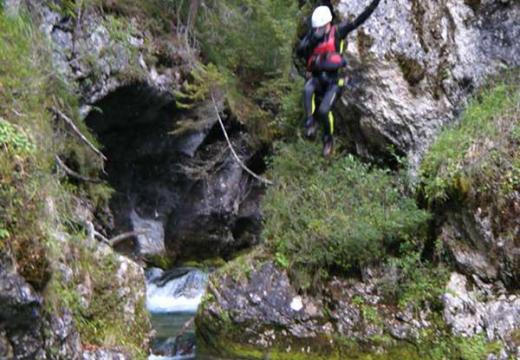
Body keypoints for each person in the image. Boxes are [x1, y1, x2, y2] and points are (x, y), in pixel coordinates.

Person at [297, 0, 381, 157]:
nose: (319, 30)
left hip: (334, 81)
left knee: (323, 111)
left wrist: (373, 5)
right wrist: (312, 39)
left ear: (328, 23)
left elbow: (357, 22)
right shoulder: (313, 36)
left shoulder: (338, 32)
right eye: (317, 28)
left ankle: (328, 139)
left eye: (321, 27)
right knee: (308, 89)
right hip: (317, 79)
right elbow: (300, 51)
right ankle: (310, 123)